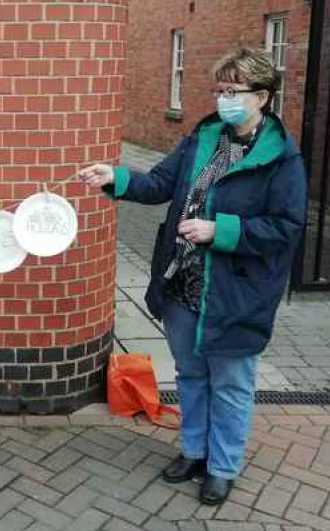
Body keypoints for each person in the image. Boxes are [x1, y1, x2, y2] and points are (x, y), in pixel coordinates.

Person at [80, 47, 307, 505]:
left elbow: (286, 227)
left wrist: (218, 230)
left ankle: (222, 467)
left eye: (232, 90)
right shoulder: (204, 136)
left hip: (236, 291)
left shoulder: (281, 157)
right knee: (190, 373)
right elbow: (162, 183)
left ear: (262, 96)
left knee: (231, 382)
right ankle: (194, 450)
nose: (222, 99)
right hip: (183, 281)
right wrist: (115, 178)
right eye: (218, 89)